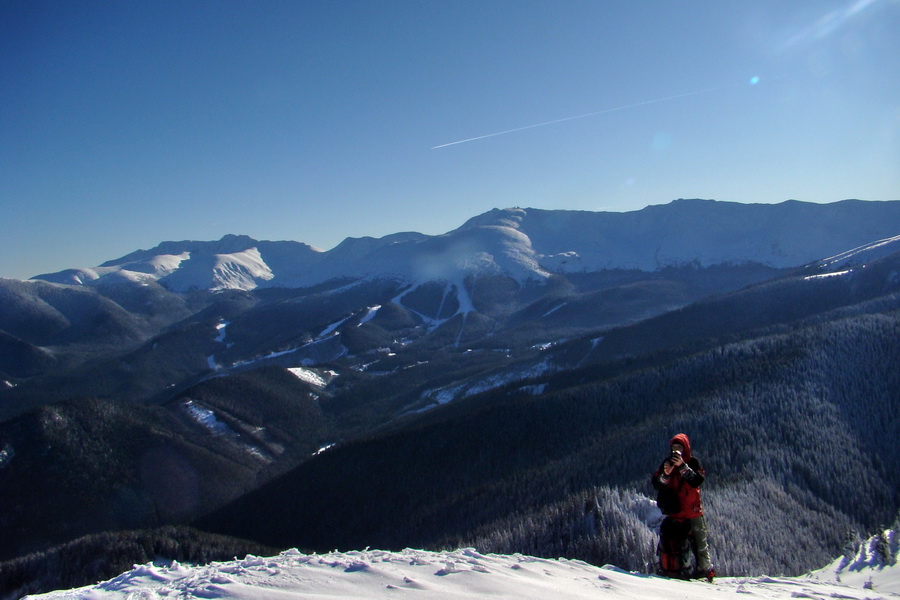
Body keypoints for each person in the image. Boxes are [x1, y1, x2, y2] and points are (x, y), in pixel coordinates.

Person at [651, 433, 714, 581]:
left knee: (700, 544)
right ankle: (675, 568)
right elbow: (657, 484)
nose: (677, 450)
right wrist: (665, 475)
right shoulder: (667, 463)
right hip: (676, 512)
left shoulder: (692, 463)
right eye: (674, 447)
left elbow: (697, 480)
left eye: (680, 447)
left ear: (686, 448)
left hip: (691, 512)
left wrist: (682, 467)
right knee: (674, 544)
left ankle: (703, 570)